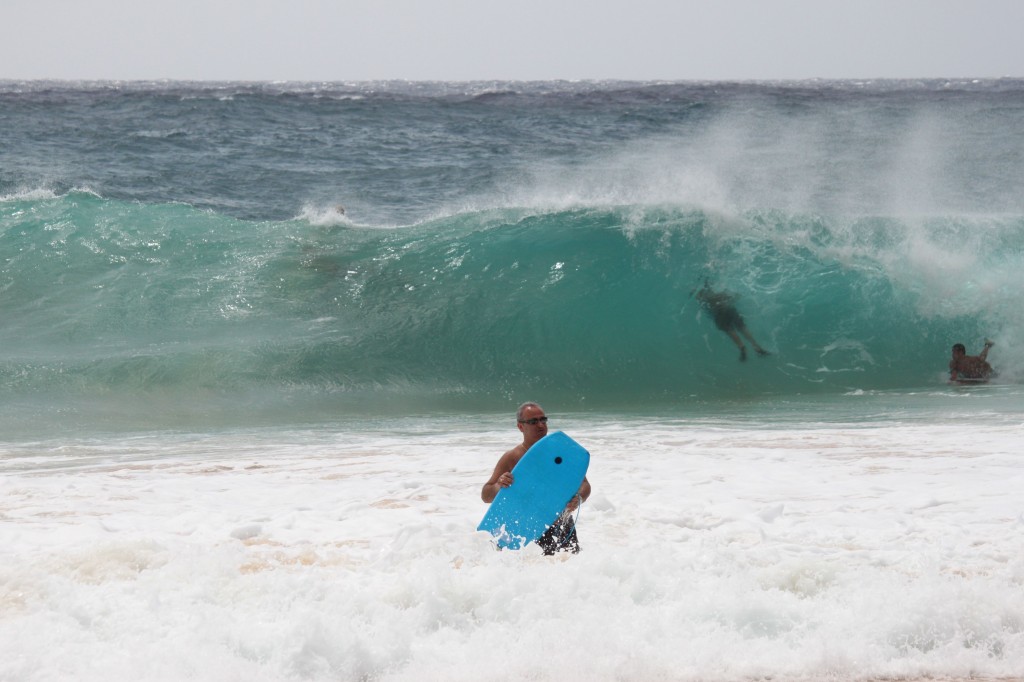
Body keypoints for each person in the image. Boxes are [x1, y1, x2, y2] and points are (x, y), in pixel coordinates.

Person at [481, 402, 591, 555]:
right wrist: (500, 484)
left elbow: (584, 485)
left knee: (569, 572)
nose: (540, 425)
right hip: (525, 530)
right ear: (520, 427)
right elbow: (486, 495)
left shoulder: (562, 453)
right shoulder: (513, 457)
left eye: (543, 420)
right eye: (533, 422)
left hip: (560, 525)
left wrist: (579, 497)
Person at [694, 281, 770, 361]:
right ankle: (757, 347)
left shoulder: (702, 293)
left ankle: (742, 348)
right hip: (730, 309)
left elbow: (698, 299)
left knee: (730, 330)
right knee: (742, 328)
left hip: (719, 313)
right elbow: (737, 296)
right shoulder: (722, 289)